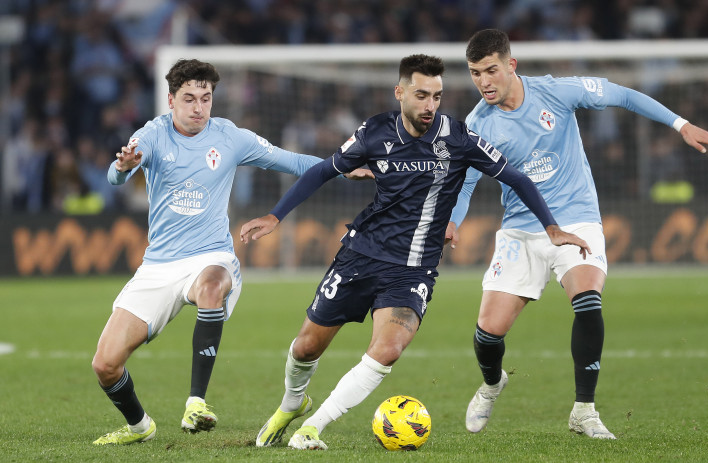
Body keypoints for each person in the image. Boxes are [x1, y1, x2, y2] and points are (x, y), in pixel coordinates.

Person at [240, 54, 590, 450]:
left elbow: (517, 177)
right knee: (306, 346)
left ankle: (313, 428)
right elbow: (324, 170)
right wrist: (275, 216)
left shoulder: (457, 138)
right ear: (400, 92)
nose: (430, 106)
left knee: (387, 349)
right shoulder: (374, 132)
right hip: (361, 256)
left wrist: (552, 228)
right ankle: (292, 404)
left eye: (437, 96)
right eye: (421, 95)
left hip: (412, 270)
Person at [447, 29, 708, 439]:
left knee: (587, 297)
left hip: (576, 217)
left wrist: (679, 123)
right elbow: (467, 183)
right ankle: (492, 384)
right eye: (475, 73)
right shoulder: (478, 124)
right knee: (488, 333)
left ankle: (584, 410)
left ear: (511, 65)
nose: (484, 82)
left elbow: (622, 95)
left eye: (491, 70)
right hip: (522, 230)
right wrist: (454, 219)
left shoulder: (557, 93)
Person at [90, 58, 371, 445]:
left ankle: (196, 403)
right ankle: (140, 427)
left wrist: (340, 167)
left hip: (212, 258)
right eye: (189, 99)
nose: (198, 108)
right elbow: (114, 176)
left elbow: (288, 161)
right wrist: (123, 168)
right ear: (170, 100)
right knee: (105, 365)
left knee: (210, 287)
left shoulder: (230, 137)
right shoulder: (153, 135)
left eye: (206, 99)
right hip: (158, 265)